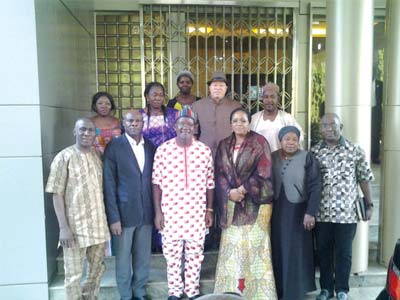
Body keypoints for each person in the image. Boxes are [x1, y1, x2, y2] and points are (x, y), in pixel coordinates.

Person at [152, 106, 215, 300]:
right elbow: (156, 184)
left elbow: (210, 183)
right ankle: (175, 292)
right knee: (172, 257)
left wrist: (209, 210)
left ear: (195, 126)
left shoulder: (204, 151)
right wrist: (158, 213)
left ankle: (192, 292)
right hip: (171, 213)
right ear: (175, 126)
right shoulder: (163, 150)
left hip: (196, 214)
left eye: (189, 124)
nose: (185, 127)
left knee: (195, 256)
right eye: (182, 124)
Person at [213, 107, 277, 300]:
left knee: (255, 251)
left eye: (243, 121)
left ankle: (258, 295)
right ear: (230, 124)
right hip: (231, 206)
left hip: (256, 206)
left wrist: (242, 190)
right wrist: (229, 192)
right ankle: (230, 293)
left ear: (249, 123)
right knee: (233, 251)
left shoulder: (259, 142)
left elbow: (264, 172)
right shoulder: (224, 145)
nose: (239, 124)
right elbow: (219, 173)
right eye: (235, 121)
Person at [311, 113, 374, 300]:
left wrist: (369, 204)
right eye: (324, 125)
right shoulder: (314, 152)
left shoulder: (355, 150)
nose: (328, 128)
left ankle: (342, 290)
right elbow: (310, 183)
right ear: (320, 129)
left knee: (344, 253)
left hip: (347, 214)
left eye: (332, 124)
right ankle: (326, 289)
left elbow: (364, 178)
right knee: (323, 252)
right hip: (322, 213)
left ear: (341, 127)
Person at [45, 118, 110, 300]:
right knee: (73, 274)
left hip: (98, 226)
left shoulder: (97, 156)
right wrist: (63, 228)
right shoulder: (63, 157)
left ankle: (90, 297)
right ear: (75, 131)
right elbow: (56, 194)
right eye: (82, 130)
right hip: (74, 229)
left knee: (97, 270)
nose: (87, 134)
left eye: (90, 130)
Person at [103, 110, 155, 300]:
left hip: (147, 213)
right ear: (123, 123)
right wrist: (113, 217)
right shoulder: (114, 147)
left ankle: (139, 293)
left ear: (143, 123)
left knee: (143, 258)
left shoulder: (150, 146)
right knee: (123, 259)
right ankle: (125, 296)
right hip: (123, 214)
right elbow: (108, 184)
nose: (134, 124)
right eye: (130, 121)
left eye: (138, 121)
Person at [270, 126, 322, 300]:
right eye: (287, 139)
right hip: (277, 211)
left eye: (294, 139)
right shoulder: (272, 156)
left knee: (296, 250)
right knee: (279, 249)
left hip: (299, 211)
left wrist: (311, 212)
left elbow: (316, 186)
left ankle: (296, 291)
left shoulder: (307, 157)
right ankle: (279, 288)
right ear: (280, 140)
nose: (290, 142)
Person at [192, 71, 242, 157]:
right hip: (204, 153)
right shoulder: (197, 106)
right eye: (215, 85)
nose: (218, 88)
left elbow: (241, 130)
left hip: (228, 152)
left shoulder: (236, 106)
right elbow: (193, 132)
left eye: (221, 85)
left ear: (226, 88)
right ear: (210, 87)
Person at [250, 82, 303, 152]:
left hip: (282, 160)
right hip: (260, 161)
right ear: (262, 99)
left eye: (272, 97)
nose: (269, 100)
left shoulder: (287, 119)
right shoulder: (254, 119)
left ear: (278, 99)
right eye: (266, 97)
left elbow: (299, 139)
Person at [140, 81, 177, 148]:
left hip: (170, 154)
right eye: (154, 95)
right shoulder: (139, 116)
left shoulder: (174, 114)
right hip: (148, 155)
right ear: (147, 96)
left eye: (161, 95)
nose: (158, 98)